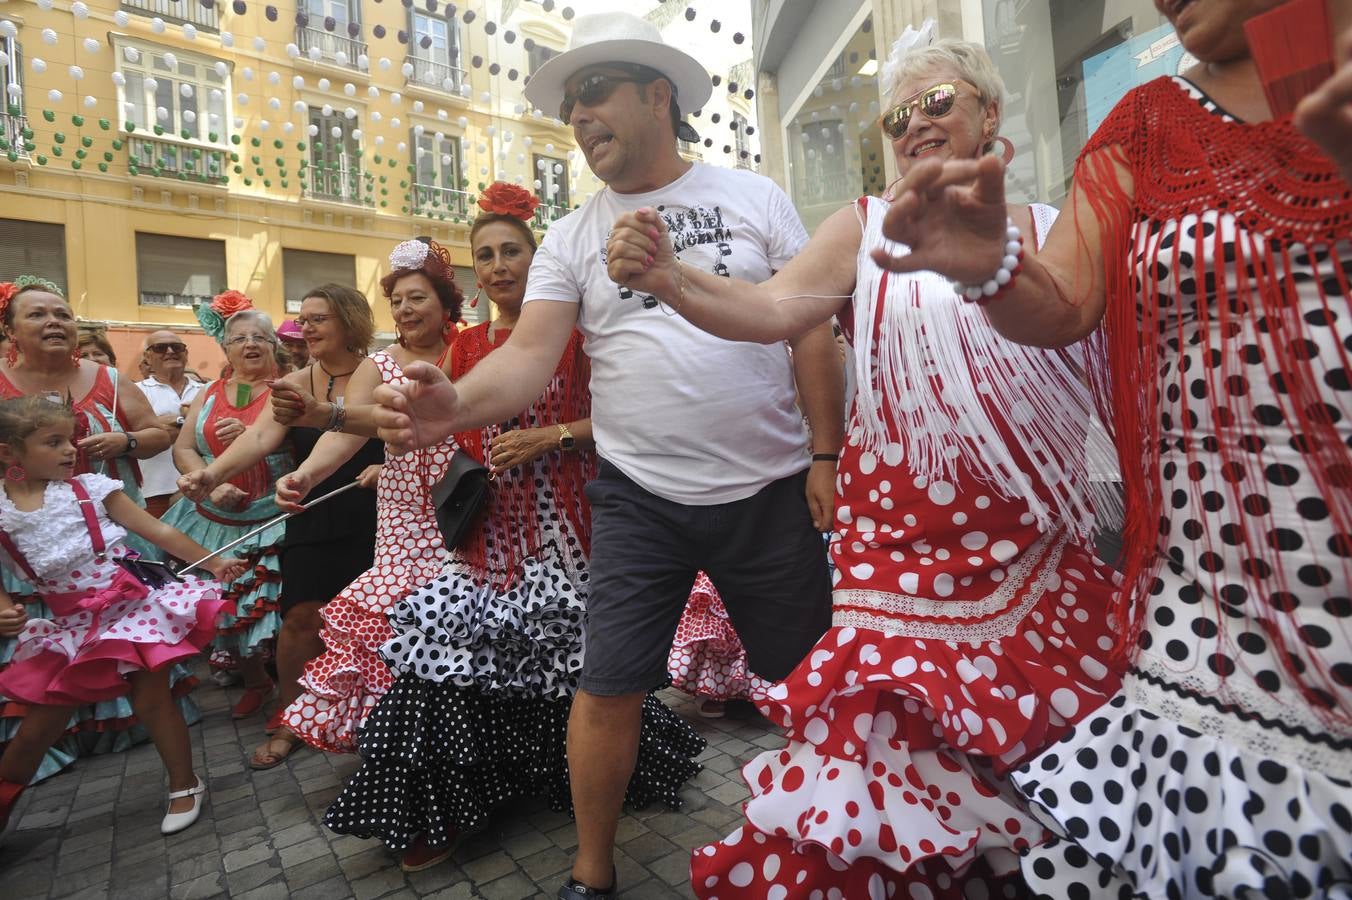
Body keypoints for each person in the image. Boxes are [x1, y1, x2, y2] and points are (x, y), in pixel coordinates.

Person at [605, 31, 1125, 895]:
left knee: (1045, 779)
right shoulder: (864, 224)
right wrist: (673, 281)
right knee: (889, 772)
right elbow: (774, 308)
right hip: (897, 563)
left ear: (990, 114)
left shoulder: (1052, 229)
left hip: (1031, 556)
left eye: (937, 101)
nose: (914, 123)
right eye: (896, 114)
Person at [868, 7, 1352, 897]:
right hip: (1216, 591)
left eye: (934, 100)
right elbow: (1059, 307)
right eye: (895, 116)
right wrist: (989, 267)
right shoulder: (1143, 123)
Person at [371, 15, 843, 898]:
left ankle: (835, 836)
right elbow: (524, 358)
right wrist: (453, 408)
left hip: (772, 488)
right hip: (639, 498)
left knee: (812, 684)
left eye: (594, 93)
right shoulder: (569, 235)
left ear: (656, 95)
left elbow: (808, 331)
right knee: (608, 685)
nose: (578, 116)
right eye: (569, 106)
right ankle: (592, 873)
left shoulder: (755, 197)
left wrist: (824, 454)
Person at [315, 185, 702, 873]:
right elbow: (443, 428)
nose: (497, 265)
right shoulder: (463, 347)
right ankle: (445, 805)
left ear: (538, 256)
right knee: (449, 656)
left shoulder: (582, 334)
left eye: (511, 251)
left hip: (574, 524)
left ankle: (571, 782)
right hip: (488, 531)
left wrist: (550, 437)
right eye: (484, 255)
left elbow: (627, 419)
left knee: (577, 667)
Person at [0, 397, 245, 835]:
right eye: (53, 442)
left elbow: (158, 530)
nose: (69, 450)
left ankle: (185, 783)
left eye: (69, 440)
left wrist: (212, 562)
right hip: (70, 627)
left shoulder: (90, 489)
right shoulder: (2, 511)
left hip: (131, 609)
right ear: (8, 452)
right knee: (38, 726)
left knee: (151, 697)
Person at [258, 240, 460, 757]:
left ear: (445, 303)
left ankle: (461, 736)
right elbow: (344, 431)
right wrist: (304, 475)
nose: (405, 310)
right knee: (396, 620)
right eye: (397, 301)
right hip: (402, 515)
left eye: (417, 298)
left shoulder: (473, 349)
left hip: (463, 501)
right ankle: (404, 741)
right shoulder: (378, 364)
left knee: (461, 622)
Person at [178, 284, 381, 769]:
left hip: (377, 511)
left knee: (376, 628)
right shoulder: (295, 381)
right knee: (299, 620)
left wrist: (391, 465)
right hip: (314, 511)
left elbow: (407, 432)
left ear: (350, 322)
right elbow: (261, 437)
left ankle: (372, 721)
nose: (304, 328)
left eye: (318, 319)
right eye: (303, 319)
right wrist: (212, 473)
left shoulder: (380, 369)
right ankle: (292, 719)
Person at [0, 278, 190, 784]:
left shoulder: (108, 377)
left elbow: (156, 436)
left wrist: (126, 440)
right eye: (37, 314)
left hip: (111, 532)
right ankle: (48, 752)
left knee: (137, 663)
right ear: (10, 328)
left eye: (62, 313)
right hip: (26, 546)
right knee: (51, 671)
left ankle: (152, 753)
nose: (54, 323)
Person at [161, 300, 290, 720]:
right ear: (225, 349)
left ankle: (295, 695)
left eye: (259, 337)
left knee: (282, 609)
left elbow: (303, 444)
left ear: (274, 346)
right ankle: (256, 682)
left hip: (274, 515)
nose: (249, 344)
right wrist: (211, 484)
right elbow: (183, 448)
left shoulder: (291, 387)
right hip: (215, 520)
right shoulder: (208, 393)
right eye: (238, 338)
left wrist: (253, 436)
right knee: (228, 609)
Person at [137, 329, 204, 518]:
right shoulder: (135, 391)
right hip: (153, 490)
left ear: (186, 354)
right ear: (147, 358)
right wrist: (189, 420)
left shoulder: (207, 390)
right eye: (160, 348)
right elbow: (139, 433)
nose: (170, 351)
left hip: (204, 487)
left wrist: (165, 425)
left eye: (177, 347)